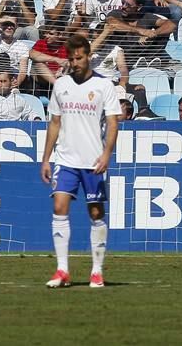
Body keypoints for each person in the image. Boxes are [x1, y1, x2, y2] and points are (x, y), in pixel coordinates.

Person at [41, 35, 121, 289]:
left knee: (96, 213)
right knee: (59, 207)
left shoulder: (104, 85)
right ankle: (62, 269)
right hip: (65, 159)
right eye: (71, 58)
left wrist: (107, 154)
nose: (75, 63)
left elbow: (112, 122)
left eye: (79, 58)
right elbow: (55, 122)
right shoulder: (61, 84)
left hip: (92, 159)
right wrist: (46, 159)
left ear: (88, 57)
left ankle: (96, 271)